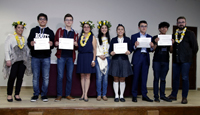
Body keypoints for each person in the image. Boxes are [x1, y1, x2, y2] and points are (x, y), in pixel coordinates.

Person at [168, 16, 198, 104]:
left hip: (186, 61)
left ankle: (184, 97)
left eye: (183, 22)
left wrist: (190, 58)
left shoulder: (190, 33)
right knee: (175, 78)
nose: (181, 23)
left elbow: (195, 47)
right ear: (177, 23)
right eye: (179, 22)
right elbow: (172, 49)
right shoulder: (174, 34)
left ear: (185, 23)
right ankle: (174, 95)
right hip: (176, 60)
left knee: (185, 78)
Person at [27, 13, 55, 102]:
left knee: (46, 77)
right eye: (40, 19)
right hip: (35, 57)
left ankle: (44, 95)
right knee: (35, 77)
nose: (42, 20)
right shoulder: (33, 30)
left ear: (46, 21)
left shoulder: (50, 31)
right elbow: (28, 42)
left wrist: (52, 44)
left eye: (44, 19)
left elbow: (53, 44)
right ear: (38, 20)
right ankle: (35, 94)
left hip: (46, 57)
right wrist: (30, 43)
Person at [3, 21, 31, 102]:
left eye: (22, 28)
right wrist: (8, 59)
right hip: (13, 61)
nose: (20, 29)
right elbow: (7, 49)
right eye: (18, 27)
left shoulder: (24, 38)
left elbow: (27, 50)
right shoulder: (10, 37)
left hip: (22, 61)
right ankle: (9, 94)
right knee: (12, 77)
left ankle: (17, 94)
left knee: (20, 78)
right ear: (15, 28)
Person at [54, 14, 78, 102]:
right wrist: (56, 43)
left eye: (70, 20)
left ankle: (68, 94)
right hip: (61, 56)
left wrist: (76, 45)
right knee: (60, 76)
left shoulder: (75, 33)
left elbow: (76, 47)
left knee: (69, 77)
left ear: (72, 22)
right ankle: (59, 95)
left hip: (70, 57)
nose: (69, 21)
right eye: (67, 20)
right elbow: (55, 41)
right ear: (64, 21)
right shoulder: (60, 31)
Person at [108, 24, 133, 102]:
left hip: (124, 60)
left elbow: (131, 48)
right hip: (115, 60)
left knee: (122, 79)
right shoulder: (113, 40)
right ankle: (116, 96)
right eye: (118, 29)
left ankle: (121, 95)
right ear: (116, 31)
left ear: (124, 31)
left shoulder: (128, 39)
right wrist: (111, 53)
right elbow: (110, 50)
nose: (120, 31)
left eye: (122, 29)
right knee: (115, 78)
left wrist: (129, 51)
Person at [131, 20, 154, 102]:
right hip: (137, 57)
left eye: (145, 26)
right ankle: (134, 95)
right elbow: (131, 49)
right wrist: (135, 46)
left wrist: (152, 46)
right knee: (135, 77)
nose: (144, 27)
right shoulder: (134, 36)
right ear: (139, 27)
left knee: (144, 78)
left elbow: (151, 50)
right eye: (142, 26)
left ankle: (144, 95)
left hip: (145, 58)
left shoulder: (150, 37)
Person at [152, 22, 173, 102]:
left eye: (166, 27)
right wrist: (156, 42)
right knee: (156, 78)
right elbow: (152, 50)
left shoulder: (169, 38)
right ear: (159, 29)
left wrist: (172, 44)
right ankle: (156, 96)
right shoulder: (155, 37)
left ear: (167, 29)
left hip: (166, 61)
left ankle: (163, 95)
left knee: (163, 79)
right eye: (162, 27)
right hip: (157, 60)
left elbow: (171, 51)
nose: (164, 29)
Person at [77, 21, 97, 102]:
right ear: (83, 28)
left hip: (89, 57)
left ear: (90, 28)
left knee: (88, 76)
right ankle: (82, 93)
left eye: (88, 27)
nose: (86, 28)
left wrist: (93, 60)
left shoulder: (92, 37)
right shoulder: (80, 36)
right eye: (84, 27)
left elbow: (95, 49)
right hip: (81, 56)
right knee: (82, 76)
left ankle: (86, 94)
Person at [95, 20, 111, 101]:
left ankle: (104, 94)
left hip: (107, 59)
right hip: (98, 58)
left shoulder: (110, 39)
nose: (104, 29)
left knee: (105, 78)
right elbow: (95, 49)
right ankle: (98, 94)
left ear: (107, 29)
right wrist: (99, 55)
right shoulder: (97, 39)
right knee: (99, 77)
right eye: (102, 28)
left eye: (105, 28)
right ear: (100, 29)